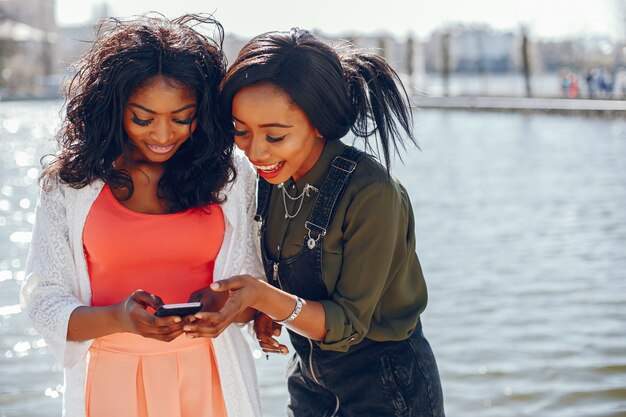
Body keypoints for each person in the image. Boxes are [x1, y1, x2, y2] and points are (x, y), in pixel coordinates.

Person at [183, 28, 445, 417]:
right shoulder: (271, 178)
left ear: (318, 122)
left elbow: (348, 323)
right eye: (241, 131)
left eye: (275, 135)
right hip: (307, 382)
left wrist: (263, 297)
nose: (255, 151)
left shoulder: (372, 192)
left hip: (386, 387)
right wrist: (258, 310)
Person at [20, 14, 263, 417]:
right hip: (110, 384)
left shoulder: (232, 180)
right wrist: (119, 318)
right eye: (143, 118)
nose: (163, 135)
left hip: (212, 377)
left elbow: (255, 288)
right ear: (114, 108)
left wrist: (230, 306)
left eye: (182, 117)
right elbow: (42, 302)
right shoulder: (72, 186)